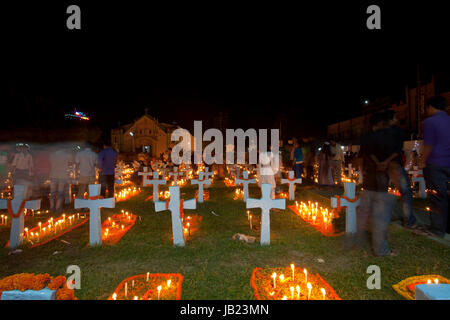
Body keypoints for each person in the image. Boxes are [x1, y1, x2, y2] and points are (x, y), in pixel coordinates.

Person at [354, 112, 397, 256]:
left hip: (368, 181)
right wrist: (383, 164)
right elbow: (395, 153)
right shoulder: (385, 137)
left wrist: (362, 174)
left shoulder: (366, 138)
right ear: (380, 124)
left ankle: (357, 244)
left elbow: (359, 158)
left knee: (364, 214)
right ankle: (381, 250)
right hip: (380, 180)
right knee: (380, 216)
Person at [419, 96, 450, 237]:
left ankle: (437, 229)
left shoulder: (429, 122)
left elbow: (428, 145)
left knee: (437, 197)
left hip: (435, 164)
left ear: (430, 107)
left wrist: (422, 161)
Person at [49, 146, 73, 214]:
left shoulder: (52, 155)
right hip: (63, 176)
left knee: (52, 193)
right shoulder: (68, 155)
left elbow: (51, 164)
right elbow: (70, 165)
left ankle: (52, 207)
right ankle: (58, 208)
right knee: (60, 193)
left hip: (53, 175)